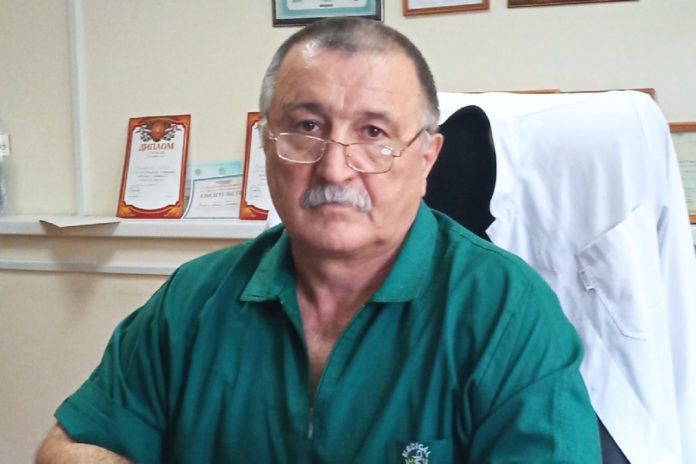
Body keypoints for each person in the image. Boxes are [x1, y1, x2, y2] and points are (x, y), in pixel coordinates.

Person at [36, 17, 600, 463]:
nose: (335, 169)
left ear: (426, 158)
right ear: (266, 143)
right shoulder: (192, 300)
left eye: (374, 133)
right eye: (307, 127)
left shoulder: (508, 313)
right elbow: (71, 445)